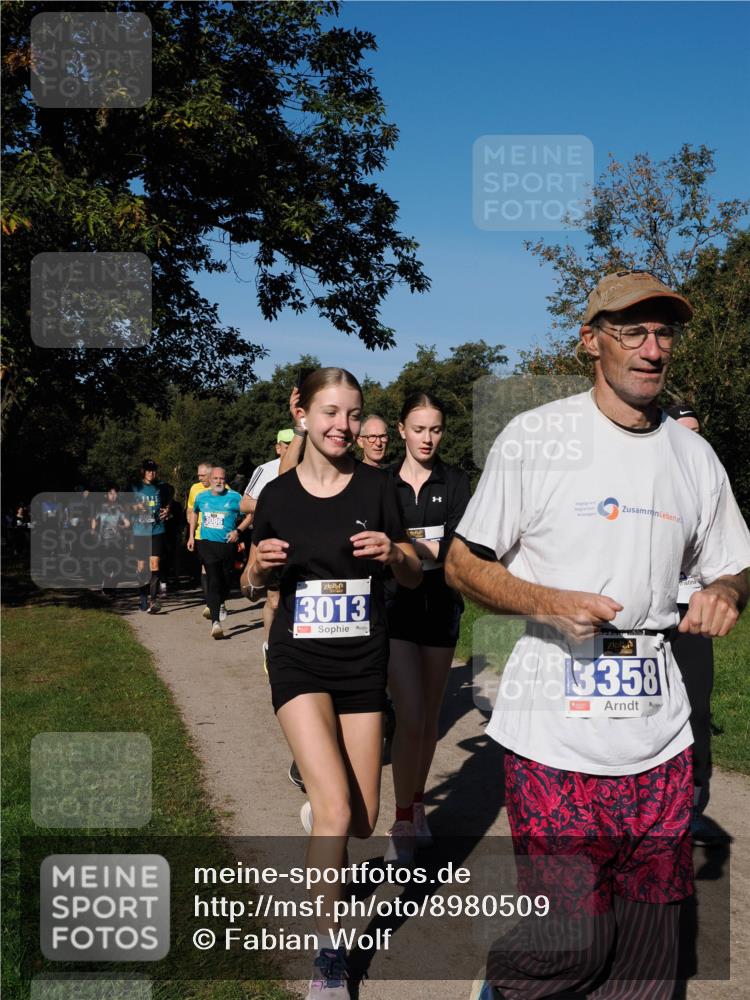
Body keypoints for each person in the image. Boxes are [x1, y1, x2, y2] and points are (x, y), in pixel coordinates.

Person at [446, 270, 750, 999]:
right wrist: (542, 600)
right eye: (632, 332)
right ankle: (502, 987)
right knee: (570, 942)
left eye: (664, 333)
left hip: (661, 739)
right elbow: (463, 563)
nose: (653, 349)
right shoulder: (537, 437)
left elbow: (737, 563)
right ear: (591, 341)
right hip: (556, 743)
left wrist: (724, 591)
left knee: (648, 963)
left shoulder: (692, 455)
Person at [242, 367, 421, 1000]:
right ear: (303, 415)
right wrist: (258, 568)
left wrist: (394, 553)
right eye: (329, 413)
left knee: (365, 818)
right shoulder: (278, 496)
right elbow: (251, 583)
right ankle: (330, 957)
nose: (341, 426)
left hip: (361, 665)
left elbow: (413, 572)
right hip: (298, 662)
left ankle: (320, 801)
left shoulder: (378, 488)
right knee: (338, 810)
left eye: (351, 414)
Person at [385, 392, 471, 864]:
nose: (427, 438)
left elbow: (459, 550)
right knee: (411, 712)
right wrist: (425, 551)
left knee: (430, 719)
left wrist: (402, 549)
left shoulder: (456, 482)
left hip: (442, 606)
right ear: (401, 430)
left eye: (435, 429)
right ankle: (399, 818)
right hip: (395, 606)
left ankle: (417, 805)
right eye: (418, 429)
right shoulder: (380, 484)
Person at [664, 402, 719, 846]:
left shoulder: (712, 482)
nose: (691, 438)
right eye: (683, 430)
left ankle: (692, 804)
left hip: (695, 611)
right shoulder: (650, 482)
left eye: (696, 430)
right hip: (654, 615)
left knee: (697, 707)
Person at [241, 425, 300, 666]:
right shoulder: (265, 470)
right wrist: (271, 505)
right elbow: (244, 504)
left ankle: (290, 649)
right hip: (269, 540)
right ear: (278, 448)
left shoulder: (307, 468)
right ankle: (269, 645)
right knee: (273, 600)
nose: (292, 449)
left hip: (298, 542)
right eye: (286, 445)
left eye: (295, 444)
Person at [188, 467, 251, 638]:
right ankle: (216, 622)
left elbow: (250, 514)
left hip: (227, 545)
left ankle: (221, 602)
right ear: (209, 480)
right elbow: (194, 513)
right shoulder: (202, 497)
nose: (218, 481)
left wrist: (238, 531)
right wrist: (192, 536)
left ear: (225, 479)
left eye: (221, 478)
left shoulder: (235, 497)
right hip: (206, 543)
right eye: (215, 478)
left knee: (226, 580)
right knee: (213, 578)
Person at [131, 459, 170, 613]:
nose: (151, 473)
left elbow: (168, 502)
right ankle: (143, 599)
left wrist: (167, 510)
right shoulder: (134, 487)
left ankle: (154, 601)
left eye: (153, 470)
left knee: (154, 565)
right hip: (140, 531)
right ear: (143, 471)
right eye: (148, 470)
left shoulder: (161, 486)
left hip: (157, 530)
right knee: (141, 567)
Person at [90, 485, 131, 594]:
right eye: (111, 493)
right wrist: (93, 530)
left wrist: (122, 527)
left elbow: (127, 523)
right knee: (105, 564)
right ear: (106, 495)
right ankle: (106, 584)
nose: (113, 496)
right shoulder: (101, 507)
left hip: (117, 541)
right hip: (104, 541)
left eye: (115, 493)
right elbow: (94, 519)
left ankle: (111, 586)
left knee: (116, 565)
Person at [186, 462, 213, 618]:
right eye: (198, 475)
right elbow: (190, 509)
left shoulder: (221, 485)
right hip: (200, 534)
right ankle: (210, 603)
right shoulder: (195, 488)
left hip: (219, 535)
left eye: (203, 475)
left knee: (218, 569)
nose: (200, 478)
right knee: (205, 567)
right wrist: (190, 532)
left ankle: (218, 599)